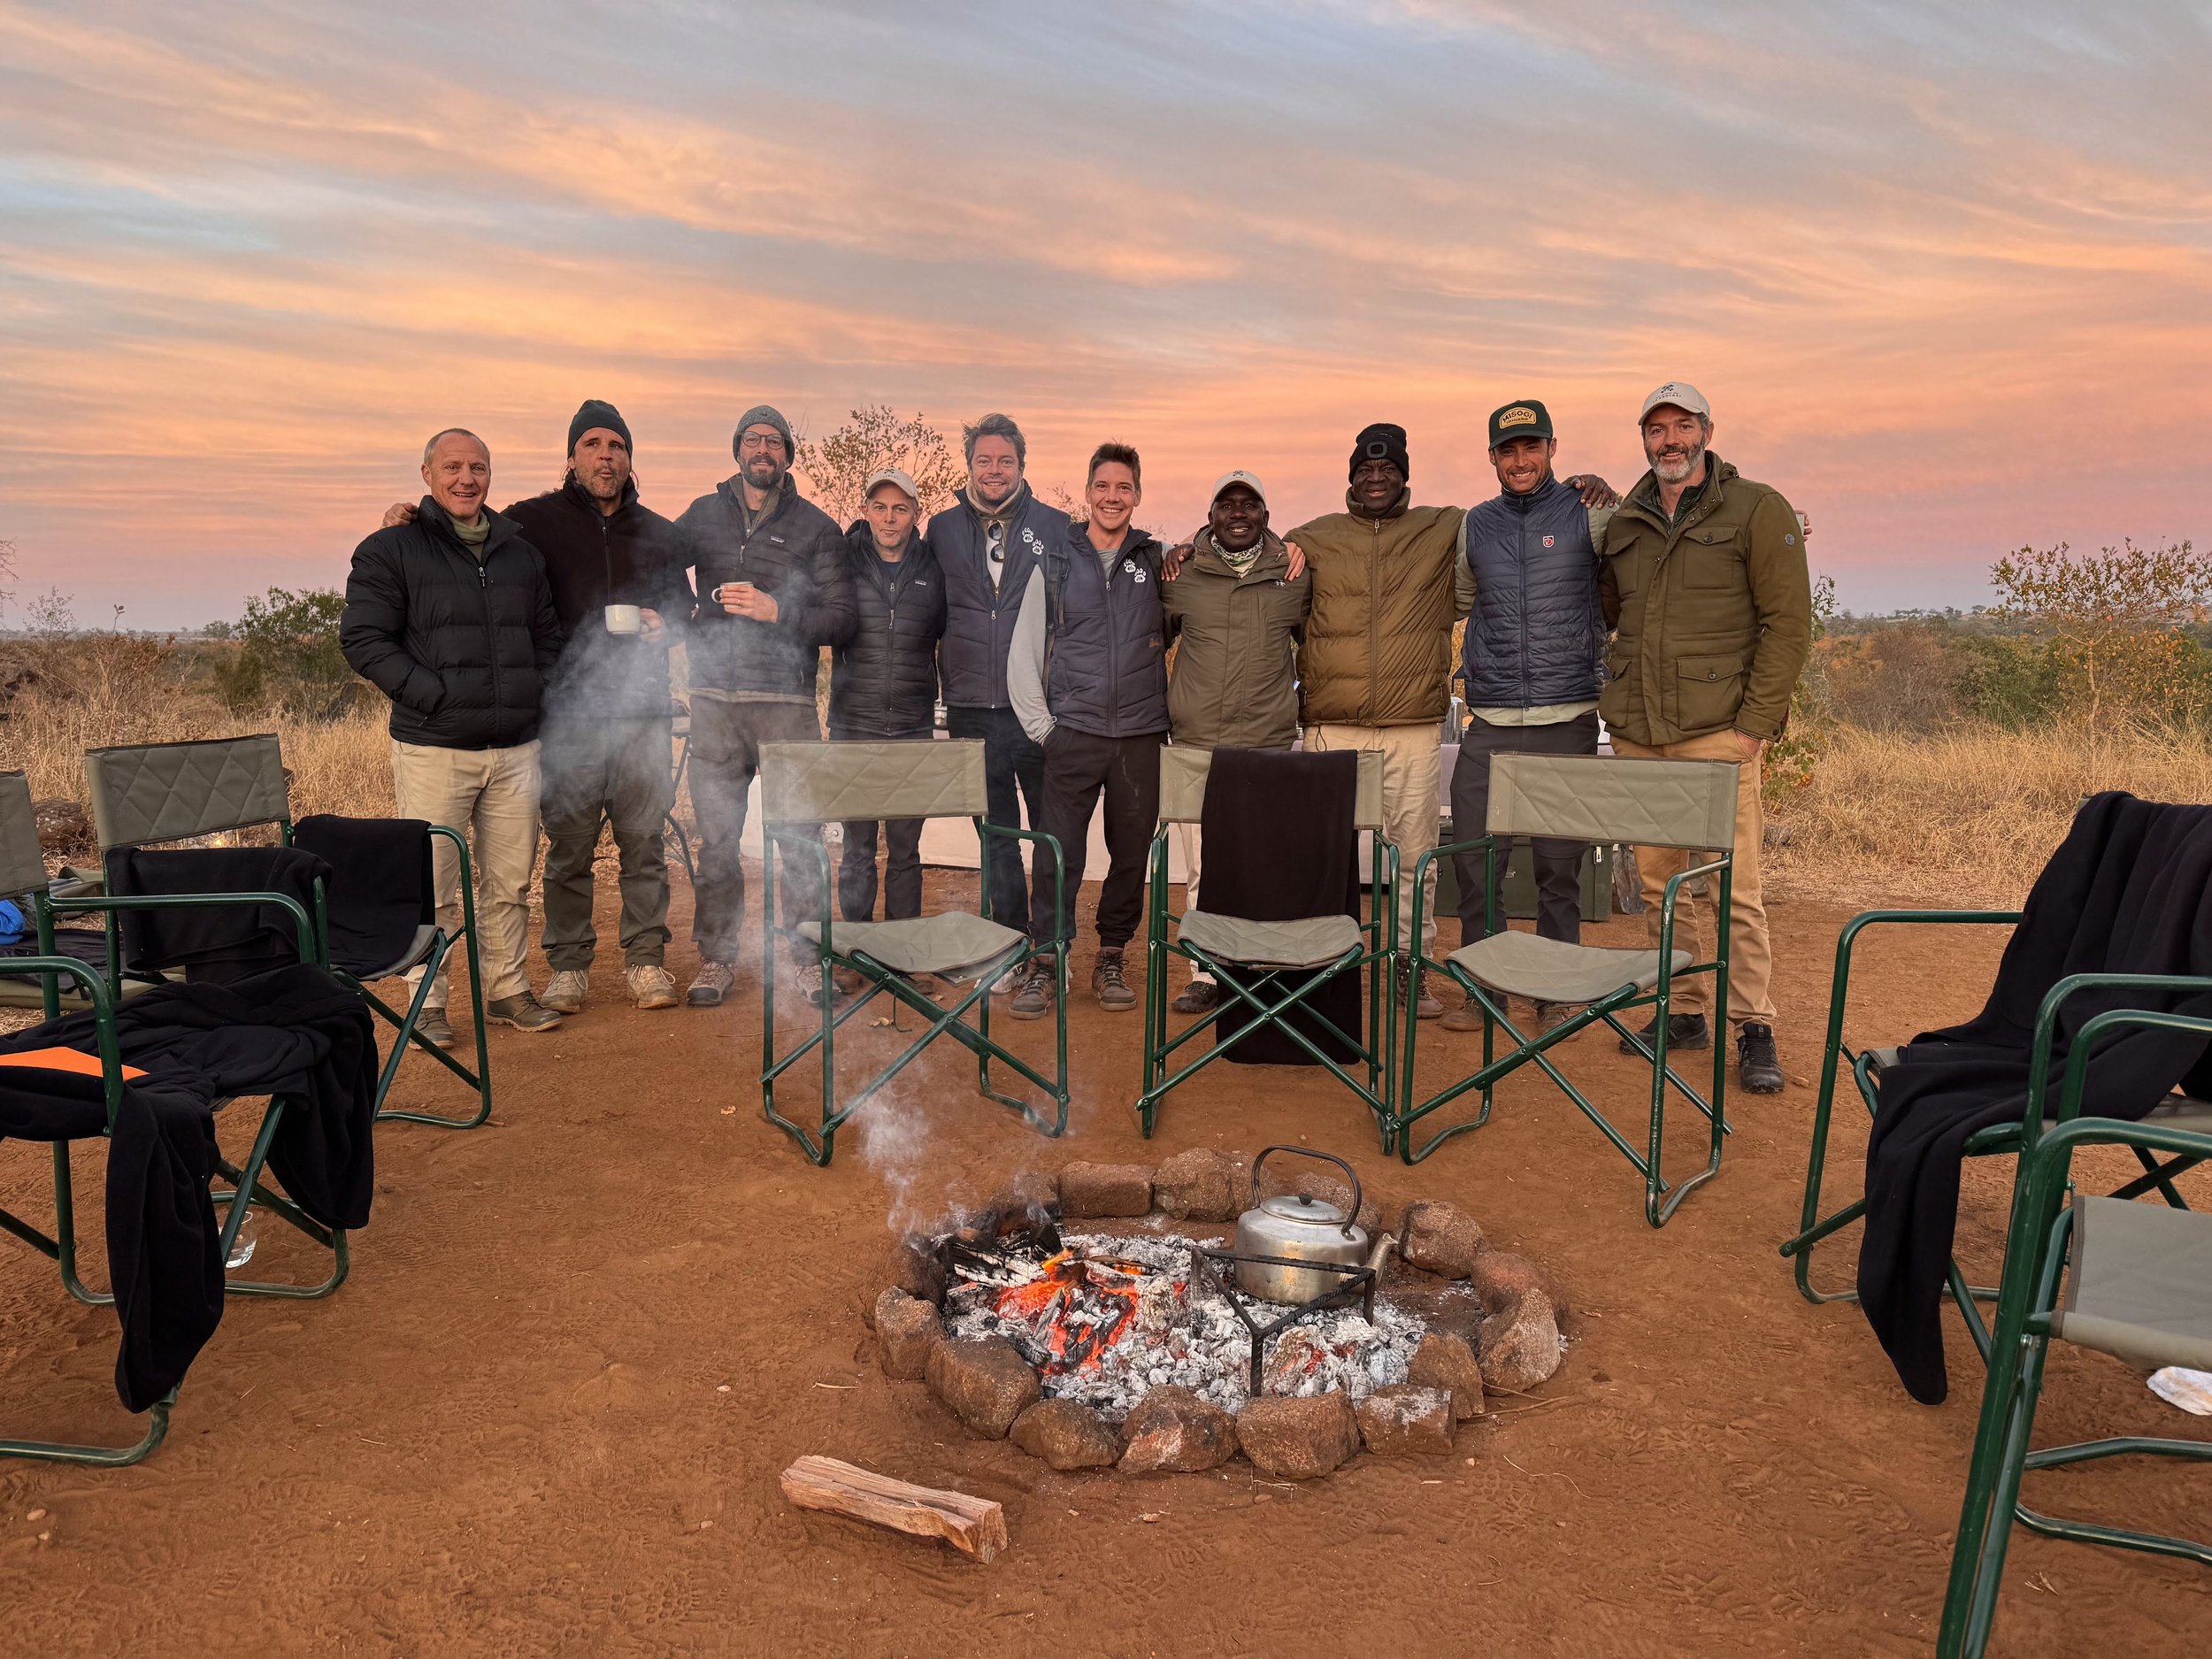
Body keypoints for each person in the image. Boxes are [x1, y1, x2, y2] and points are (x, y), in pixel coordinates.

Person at [1600, 382, 1810, 1094]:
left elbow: (1788, 624)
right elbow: (1609, 608)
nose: (1670, 441)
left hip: (1719, 731)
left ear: (1707, 431)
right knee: (1661, 886)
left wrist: (1755, 727)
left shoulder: (1756, 508)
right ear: (1644, 439)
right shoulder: (1625, 519)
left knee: (1734, 890)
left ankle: (1755, 1024)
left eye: (1682, 426)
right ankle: (1686, 1008)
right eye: (1657, 430)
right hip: (1640, 731)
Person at [342, 427, 566, 1041]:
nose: (467, 478)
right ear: (427, 474)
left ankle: (508, 990)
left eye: (478, 467)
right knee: (434, 884)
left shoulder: (519, 553)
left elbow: (547, 633)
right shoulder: (392, 547)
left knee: (510, 881)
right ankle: (429, 1002)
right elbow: (362, 640)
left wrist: (534, 693)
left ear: (491, 475)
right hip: (434, 748)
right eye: (453, 467)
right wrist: (432, 695)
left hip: (516, 747)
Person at [506, 401, 691, 1016]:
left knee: (643, 846)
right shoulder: (533, 523)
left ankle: (645, 961)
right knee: (568, 851)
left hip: (642, 715)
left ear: (630, 458)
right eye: (592, 443)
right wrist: (407, 518)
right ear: (571, 457)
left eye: (616, 444)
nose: (606, 454)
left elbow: (686, 610)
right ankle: (568, 967)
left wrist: (667, 624)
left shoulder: (659, 533)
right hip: (571, 718)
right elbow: (463, 528)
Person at [1440, 399, 1613, 1038]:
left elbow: (1648, 540)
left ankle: (1555, 989)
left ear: (1552, 448)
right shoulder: (1473, 525)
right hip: (1490, 718)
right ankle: (1484, 986)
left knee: (1559, 864)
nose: (1521, 460)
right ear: (1492, 457)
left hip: (1567, 714)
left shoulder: (1590, 513)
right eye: (1508, 450)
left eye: (1531, 447)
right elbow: (1461, 598)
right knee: (1477, 858)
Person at [675, 404, 856, 1008]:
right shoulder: (703, 514)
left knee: (799, 839)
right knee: (718, 842)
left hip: (786, 704)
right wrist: (689, 614)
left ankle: (806, 960)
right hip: (713, 702)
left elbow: (842, 617)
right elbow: (649, 558)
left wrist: (779, 610)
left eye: (774, 441)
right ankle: (717, 959)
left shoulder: (816, 527)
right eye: (753, 439)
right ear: (737, 449)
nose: (763, 449)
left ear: (787, 456)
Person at [1005, 443, 1166, 1017]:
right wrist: (1044, 728)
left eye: (1124, 487)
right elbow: (1024, 647)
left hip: (1140, 737)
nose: (1113, 497)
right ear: (1089, 491)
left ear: (1137, 495)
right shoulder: (1055, 560)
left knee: (1129, 855)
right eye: (1103, 486)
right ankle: (1047, 960)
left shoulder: (1157, 562)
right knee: (1057, 853)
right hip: (1071, 733)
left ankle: (1112, 954)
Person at [1157, 469, 1311, 1014]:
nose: (1239, 514)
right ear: (1211, 516)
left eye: (1250, 505)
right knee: (1205, 868)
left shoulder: (1294, 574)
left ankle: (1259, 969)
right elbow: (1150, 641)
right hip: (1196, 743)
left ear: (1266, 516)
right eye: (1228, 505)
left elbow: (1314, 645)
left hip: (1267, 744)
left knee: (1262, 860)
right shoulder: (1179, 574)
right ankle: (1207, 972)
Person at [926, 415, 1073, 967]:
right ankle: (1009, 944)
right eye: (984, 460)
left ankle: (1052, 943)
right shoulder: (939, 529)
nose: (994, 471)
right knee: (997, 835)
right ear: (969, 465)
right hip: (969, 705)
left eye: (1005, 461)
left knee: (1049, 831)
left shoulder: (1057, 527)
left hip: (1036, 709)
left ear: (1021, 466)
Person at [827, 467, 946, 929]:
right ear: (865, 511)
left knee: (905, 849)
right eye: (880, 507)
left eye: (900, 508)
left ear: (915, 514)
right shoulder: (843, 560)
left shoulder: (933, 568)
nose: (890, 518)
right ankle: (858, 948)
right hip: (853, 725)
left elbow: (945, 634)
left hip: (913, 727)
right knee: (857, 847)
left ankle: (902, 948)